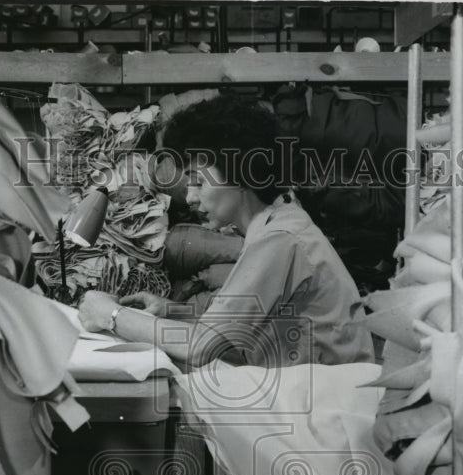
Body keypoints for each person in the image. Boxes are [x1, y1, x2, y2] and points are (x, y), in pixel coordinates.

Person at [77, 95, 374, 368]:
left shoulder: (280, 240)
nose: (190, 198)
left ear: (241, 173)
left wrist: (111, 315)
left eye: (198, 182)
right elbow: (237, 325)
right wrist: (172, 311)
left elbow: (201, 346)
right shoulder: (277, 223)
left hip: (325, 398)